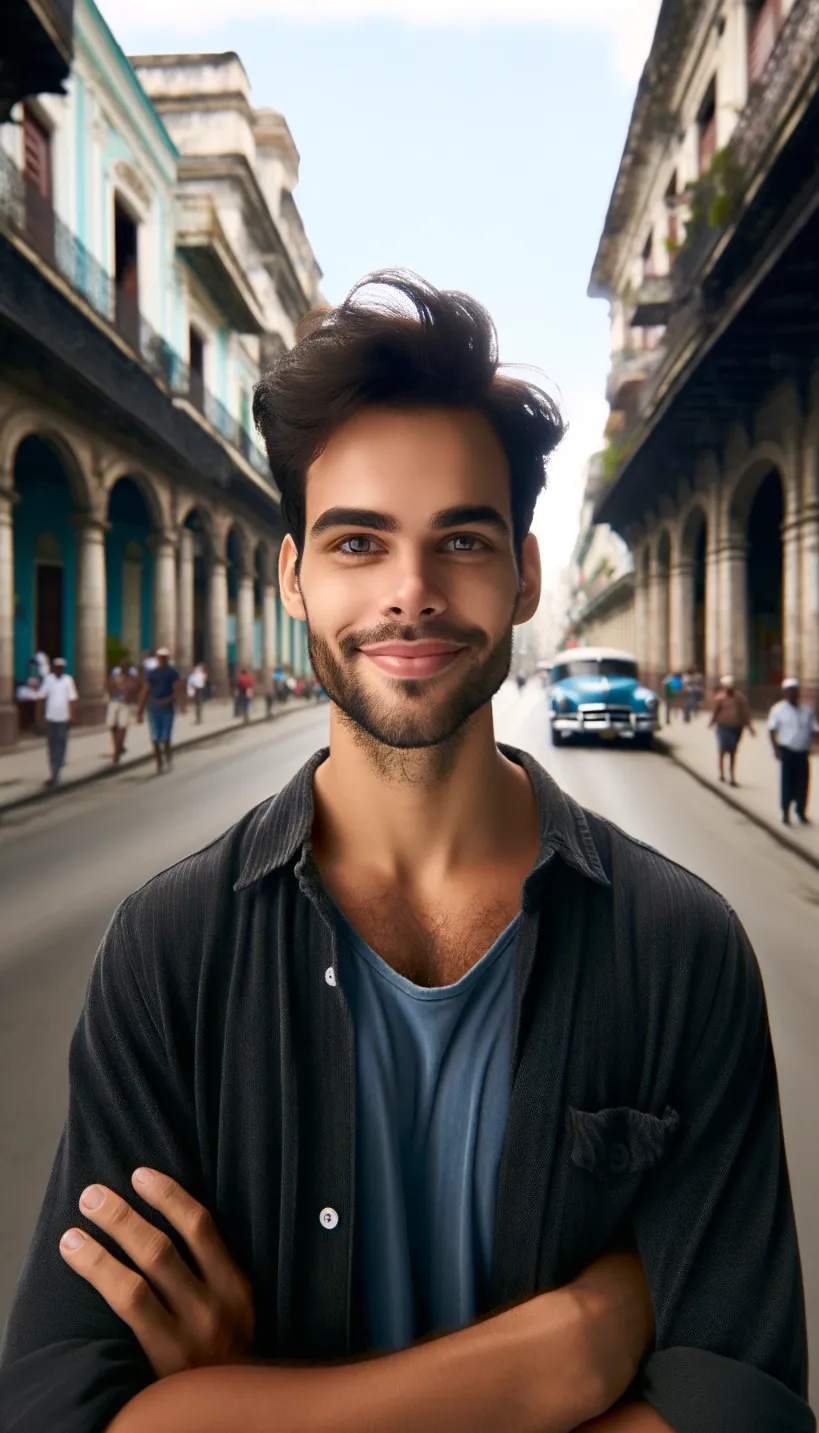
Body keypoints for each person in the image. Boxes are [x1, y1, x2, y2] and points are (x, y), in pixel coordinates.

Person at [0, 272, 812, 1433]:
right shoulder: (172, 949)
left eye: (463, 539)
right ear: (294, 575)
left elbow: (748, 1402)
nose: (411, 593)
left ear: (526, 574)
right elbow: (55, 1402)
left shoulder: (678, 946)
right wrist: (566, 1356)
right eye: (357, 540)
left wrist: (248, 1399)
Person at [768, 677, 817, 826]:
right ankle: (785, 813)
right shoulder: (778, 710)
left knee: (802, 784)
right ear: (784, 693)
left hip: (802, 752)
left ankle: (801, 813)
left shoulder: (807, 710)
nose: (792, 694)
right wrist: (776, 749)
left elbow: (814, 730)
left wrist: (815, 745)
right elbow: (772, 730)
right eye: (789, 691)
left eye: (794, 691)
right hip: (787, 751)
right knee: (787, 784)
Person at [136, 647, 185, 775]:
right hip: (154, 707)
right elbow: (146, 690)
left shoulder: (173, 673)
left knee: (166, 737)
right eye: (160, 658)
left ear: (167, 659)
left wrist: (177, 703)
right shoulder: (152, 673)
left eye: (164, 658)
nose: (162, 660)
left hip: (167, 707)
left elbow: (177, 689)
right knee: (155, 737)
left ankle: (168, 759)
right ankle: (159, 763)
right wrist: (140, 711)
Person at [34, 656, 78, 788]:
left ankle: (58, 768)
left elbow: (71, 699)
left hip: (63, 718)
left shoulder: (68, 681)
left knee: (62, 743)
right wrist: (40, 716)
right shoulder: (48, 680)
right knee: (52, 746)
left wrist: (71, 715)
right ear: (53, 668)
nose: (59, 669)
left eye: (61, 668)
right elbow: (41, 698)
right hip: (52, 718)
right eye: (57, 667)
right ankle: (54, 772)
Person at [708, 673, 755, 786]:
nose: (730, 689)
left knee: (733, 751)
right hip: (723, 727)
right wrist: (712, 722)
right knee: (723, 750)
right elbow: (715, 712)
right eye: (727, 687)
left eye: (731, 687)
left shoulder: (739, 697)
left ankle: (732, 776)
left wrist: (750, 727)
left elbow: (745, 712)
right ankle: (722, 774)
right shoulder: (720, 698)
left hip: (737, 727)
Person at [106, 667, 133, 766]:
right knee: (113, 726)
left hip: (123, 704)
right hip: (114, 702)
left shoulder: (128, 680)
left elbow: (131, 690)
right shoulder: (114, 679)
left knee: (122, 727)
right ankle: (117, 748)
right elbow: (109, 688)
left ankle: (117, 752)